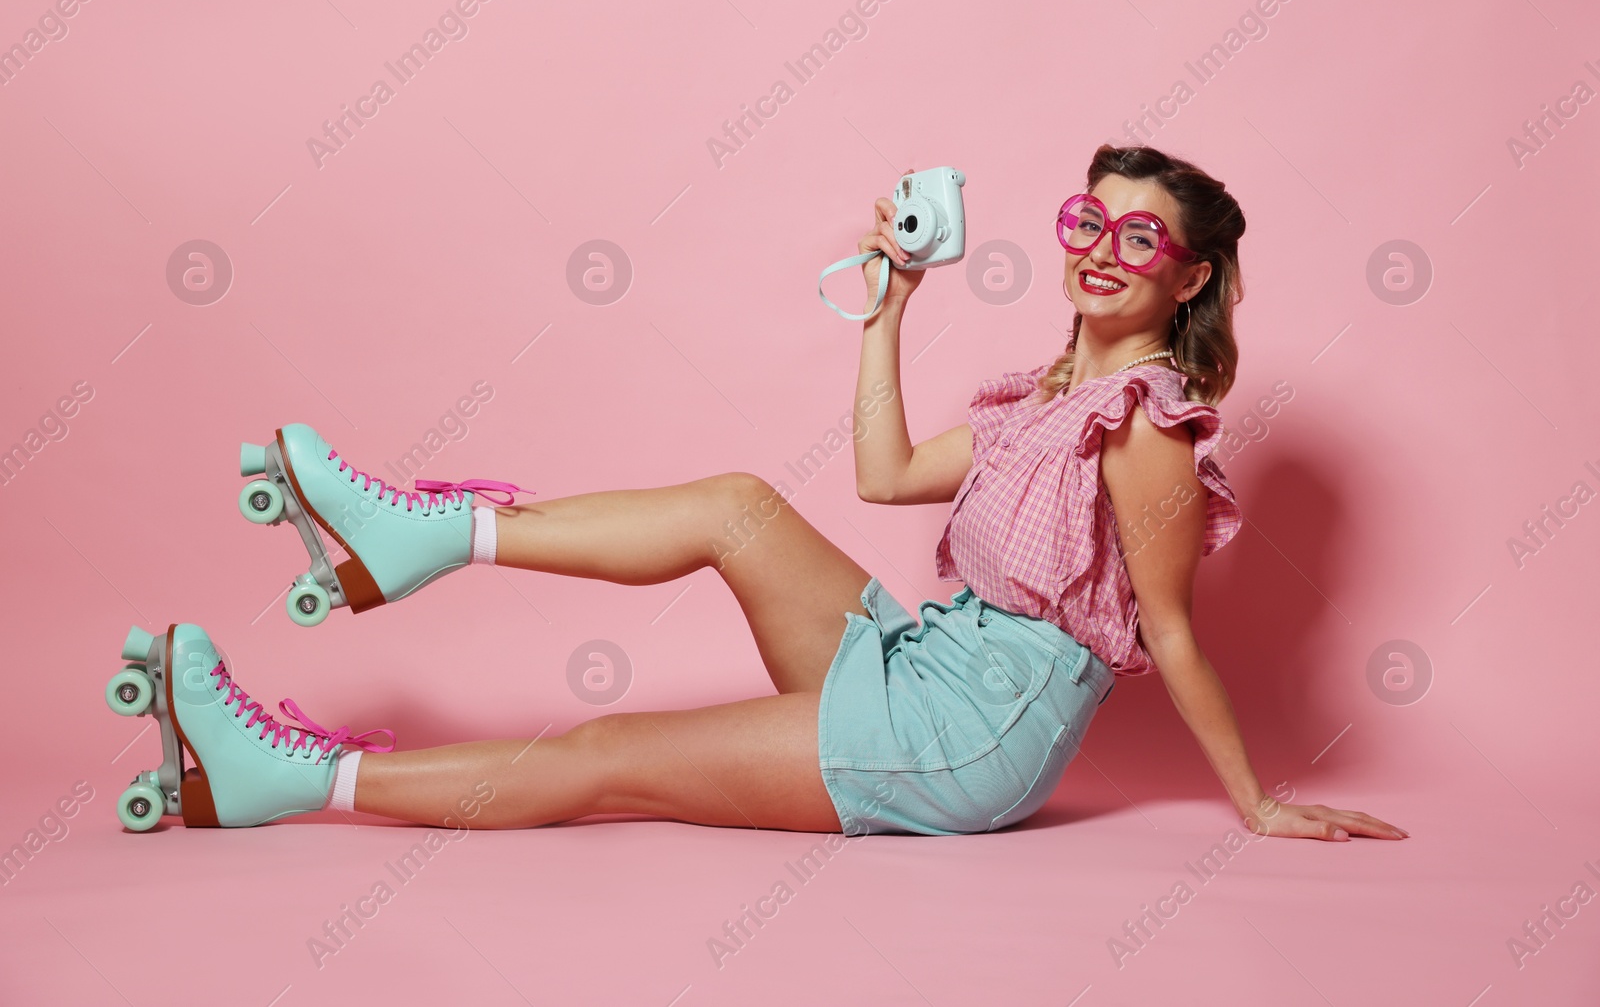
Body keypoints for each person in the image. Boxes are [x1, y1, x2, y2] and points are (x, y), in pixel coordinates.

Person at [110, 143, 1406, 843]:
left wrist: (1258, 803)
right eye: (1089, 220)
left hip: (973, 735)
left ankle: (287, 785)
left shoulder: (1146, 432)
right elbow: (884, 477)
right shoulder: (1043, 401)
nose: (1102, 251)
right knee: (737, 506)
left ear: (1187, 280)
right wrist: (889, 310)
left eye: (1142, 238)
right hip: (925, 658)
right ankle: (415, 537)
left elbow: (1171, 630)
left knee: (611, 756)